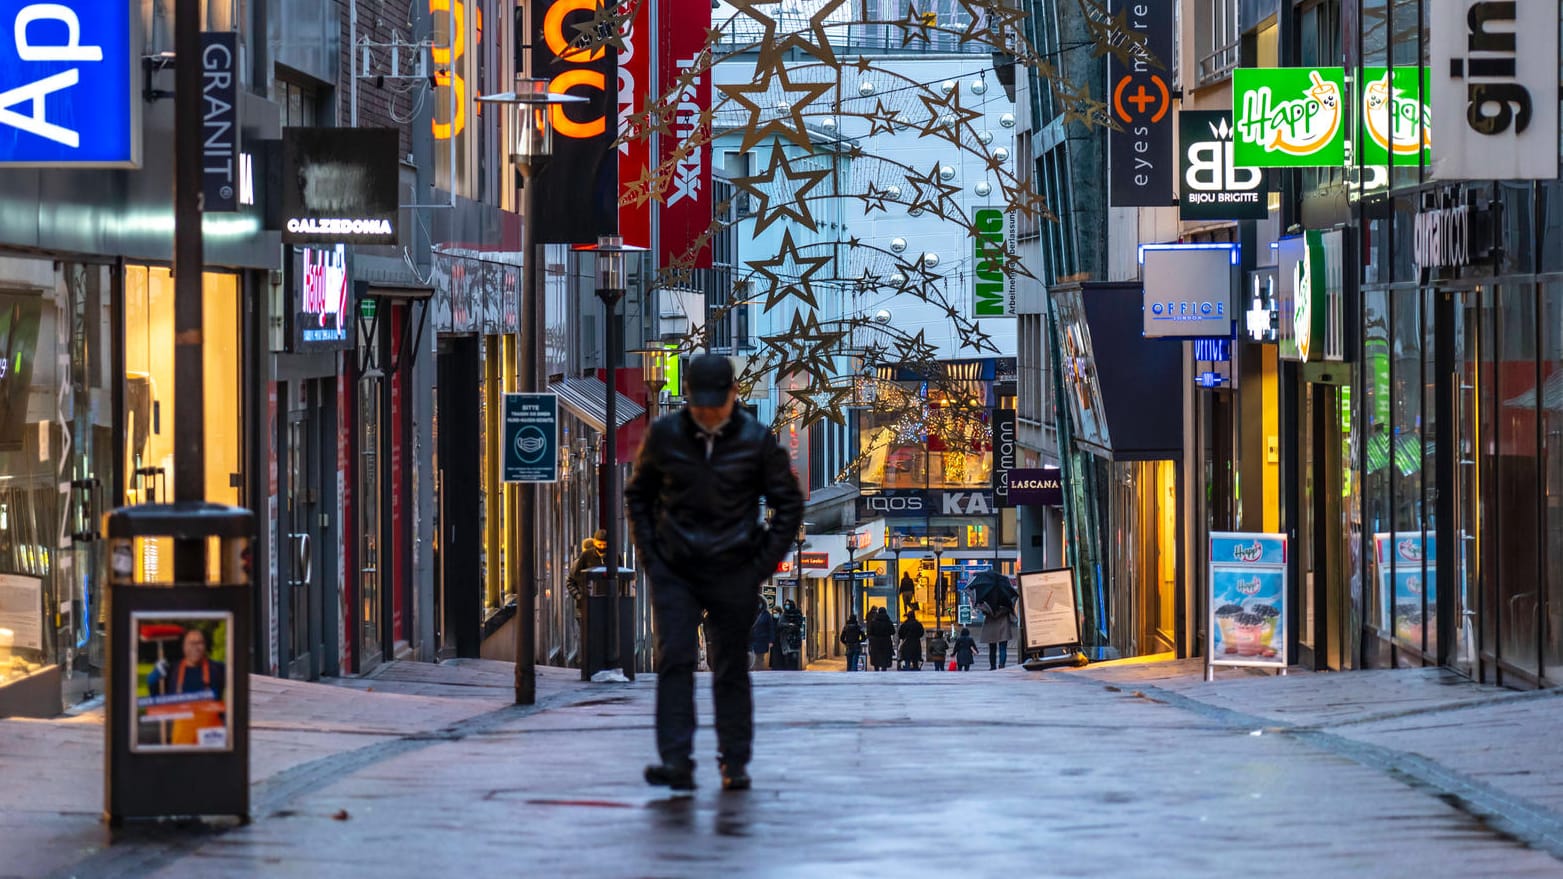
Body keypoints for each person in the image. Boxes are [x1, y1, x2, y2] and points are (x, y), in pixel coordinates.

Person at [625, 353, 804, 792]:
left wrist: (759, 564)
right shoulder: (665, 436)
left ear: (733, 397)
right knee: (676, 661)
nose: (706, 411)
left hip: (733, 568)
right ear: (687, 396)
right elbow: (640, 497)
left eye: (715, 403)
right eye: (698, 402)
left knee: (730, 667)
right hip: (676, 569)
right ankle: (676, 760)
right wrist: (653, 557)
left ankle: (735, 761)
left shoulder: (756, 440)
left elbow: (788, 504)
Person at [145, 626, 227, 746]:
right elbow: (155, 696)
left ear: (204, 646)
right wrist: (154, 676)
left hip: (211, 738)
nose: (195, 648)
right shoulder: (172, 671)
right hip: (183, 739)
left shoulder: (218, 669)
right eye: (191, 643)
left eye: (199, 643)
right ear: (184, 647)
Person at [564, 530, 608, 663]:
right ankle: (587, 663)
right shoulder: (583, 558)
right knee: (586, 636)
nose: (601, 548)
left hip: (604, 606)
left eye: (604, 544)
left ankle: (597, 663)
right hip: (584, 607)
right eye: (599, 544)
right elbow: (571, 581)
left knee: (601, 636)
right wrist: (579, 597)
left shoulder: (613, 557)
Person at [978, 598, 1017, 670]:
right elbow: (1011, 609)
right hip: (1003, 625)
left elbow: (984, 610)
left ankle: (993, 666)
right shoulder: (1006, 598)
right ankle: (1002, 665)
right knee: (1003, 648)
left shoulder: (988, 598)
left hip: (991, 625)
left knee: (992, 648)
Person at [867, 607, 896, 671]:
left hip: (876, 642)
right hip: (886, 641)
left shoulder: (874, 622)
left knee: (876, 656)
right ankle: (884, 668)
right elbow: (893, 631)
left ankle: (876, 668)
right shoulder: (889, 622)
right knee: (885, 656)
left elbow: (870, 632)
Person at [779, 599, 806, 670]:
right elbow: (780, 625)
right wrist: (789, 625)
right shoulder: (783, 614)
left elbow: (798, 625)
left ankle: (794, 672)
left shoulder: (797, 613)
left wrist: (790, 626)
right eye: (785, 604)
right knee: (787, 659)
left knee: (794, 659)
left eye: (788, 604)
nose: (786, 606)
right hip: (785, 640)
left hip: (794, 640)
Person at [749, 599, 775, 670]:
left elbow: (771, 628)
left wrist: (771, 640)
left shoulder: (766, 614)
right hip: (751, 639)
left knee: (759, 658)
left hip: (762, 640)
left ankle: (758, 672)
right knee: (750, 658)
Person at [768, 606, 786, 671]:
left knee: (780, 657)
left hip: (781, 641)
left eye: (776, 612)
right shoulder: (771, 620)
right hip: (774, 641)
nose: (775, 614)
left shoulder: (782, 620)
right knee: (774, 657)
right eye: (773, 613)